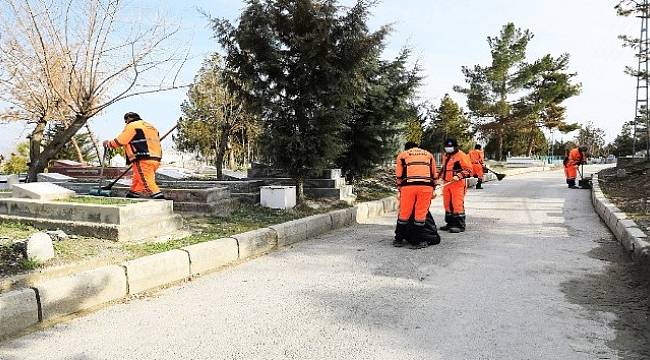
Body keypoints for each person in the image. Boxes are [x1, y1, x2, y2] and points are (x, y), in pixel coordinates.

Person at [103, 112, 165, 199]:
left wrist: (108, 144)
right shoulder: (151, 127)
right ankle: (132, 196)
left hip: (143, 157)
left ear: (128, 119)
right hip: (156, 158)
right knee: (138, 180)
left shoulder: (132, 126)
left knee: (147, 182)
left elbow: (121, 141)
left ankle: (160, 200)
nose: (125, 123)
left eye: (125, 121)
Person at [394, 142, 441, 249]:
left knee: (404, 214)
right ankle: (416, 242)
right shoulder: (428, 155)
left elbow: (399, 175)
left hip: (408, 186)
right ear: (418, 147)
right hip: (426, 187)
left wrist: (400, 188)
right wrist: (433, 188)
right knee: (420, 215)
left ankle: (398, 240)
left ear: (407, 148)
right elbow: (434, 174)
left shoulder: (403, 155)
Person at [439, 138, 473, 233]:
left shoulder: (461, 156)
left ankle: (460, 225)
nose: (449, 148)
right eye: (447, 147)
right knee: (447, 204)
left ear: (455, 147)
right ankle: (450, 223)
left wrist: (458, 176)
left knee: (457, 204)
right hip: (447, 183)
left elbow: (469, 170)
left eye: (450, 147)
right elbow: (444, 169)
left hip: (457, 184)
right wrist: (438, 178)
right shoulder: (446, 155)